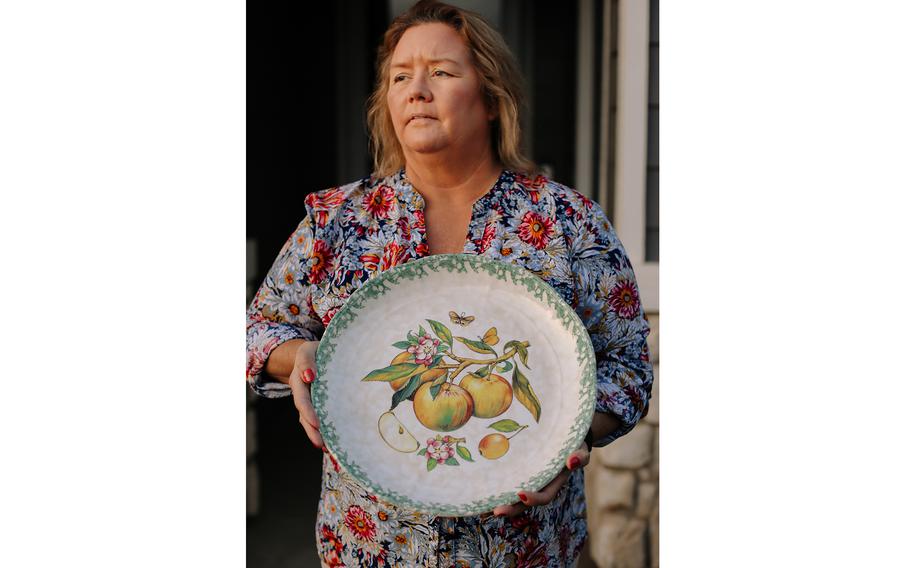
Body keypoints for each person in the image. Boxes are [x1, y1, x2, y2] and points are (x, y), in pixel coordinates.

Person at [246, 1, 653, 565]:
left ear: (490, 97)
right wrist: (304, 356)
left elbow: (629, 367)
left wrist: (568, 436)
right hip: (373, 548)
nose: (416, 88)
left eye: (440, 71)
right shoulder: (335, 221)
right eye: (399, 76)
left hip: (523, 549)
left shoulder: (567, 223)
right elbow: (258, 330)